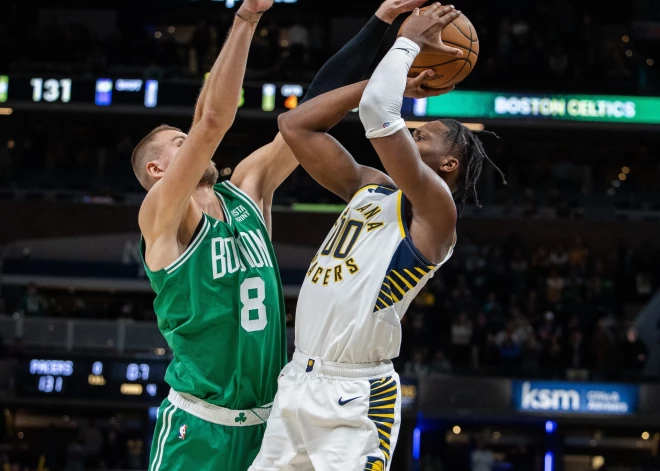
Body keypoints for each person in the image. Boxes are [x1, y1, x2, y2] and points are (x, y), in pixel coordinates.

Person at [134, 0, 429, 469]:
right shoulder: (163, 216)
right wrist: (247, 17)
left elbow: (312, 112)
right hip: (199, 429)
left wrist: (380, 22)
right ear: (156, 169)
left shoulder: (248, 189)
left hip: (273, 425)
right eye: (178, 143)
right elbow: (210, 123)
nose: (189, 146)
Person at [252, 5, 505, 470]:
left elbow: (377, 113)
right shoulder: (370, 187)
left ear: (449, 165)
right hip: (297, 379)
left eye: (423, 137)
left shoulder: (436, 211)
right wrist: (381, 80)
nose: (411, 135)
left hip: (357, 395)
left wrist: (406, 43)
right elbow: (296, 126)